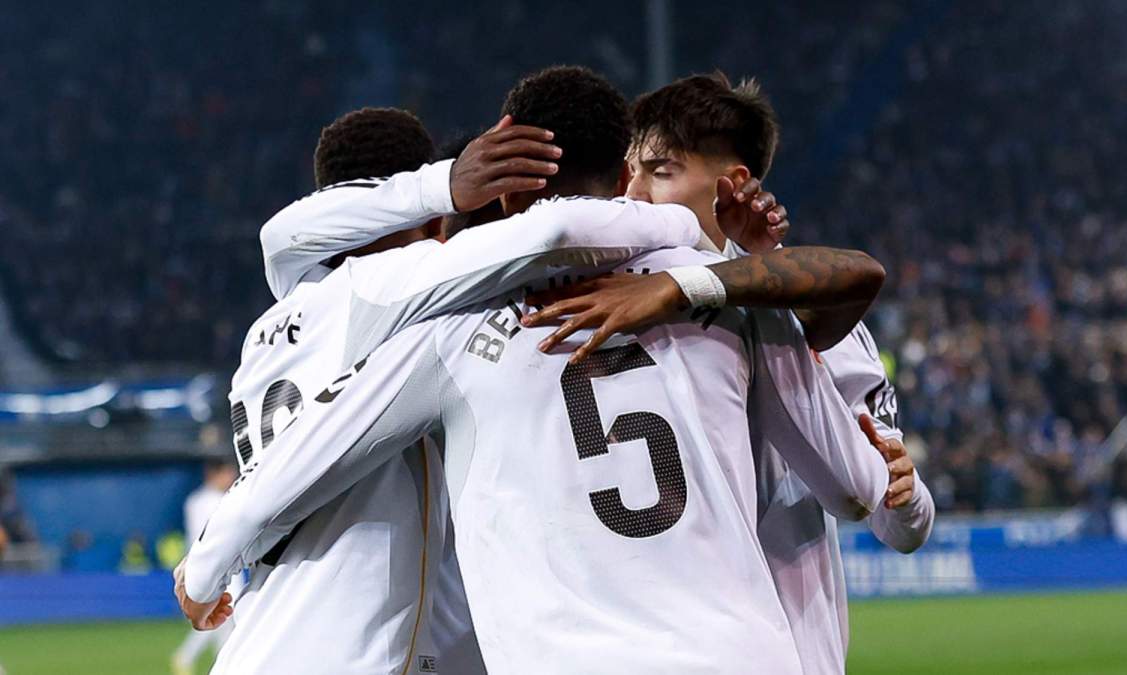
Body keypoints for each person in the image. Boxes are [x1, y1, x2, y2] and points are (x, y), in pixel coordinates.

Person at [181, 65, 889, 674]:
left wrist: (206, 563)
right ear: (623, 178)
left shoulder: (446, 332)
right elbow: (861, 488)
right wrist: (694, 248)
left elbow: (297, 462)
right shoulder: (734, 290)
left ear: (505, 195)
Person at [175, 100, 708, 674]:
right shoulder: (392, 291)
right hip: (346, 655)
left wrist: (205, 566)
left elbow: (279, 237)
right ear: (430, 221)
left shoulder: (270, 326)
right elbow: (552, 233)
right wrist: (691, 230)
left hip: (263, 640)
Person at [556, 70, 936, 673]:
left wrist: (905, 494)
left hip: (784, 645)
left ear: (731, 184)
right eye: (629, 172)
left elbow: (890, 510)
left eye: (660, 172)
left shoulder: (814, 314)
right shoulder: (599, 300)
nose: (633, 196)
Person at [171, 459, 238, 675]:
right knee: (222, 615)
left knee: (220, 619)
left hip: (198, 562)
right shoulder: (223, 500)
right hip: (222, 564)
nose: (231, 477)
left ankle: (219, 665)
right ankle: (188, 656)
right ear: (215, 474)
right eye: (228, 472)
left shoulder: (194, 500)